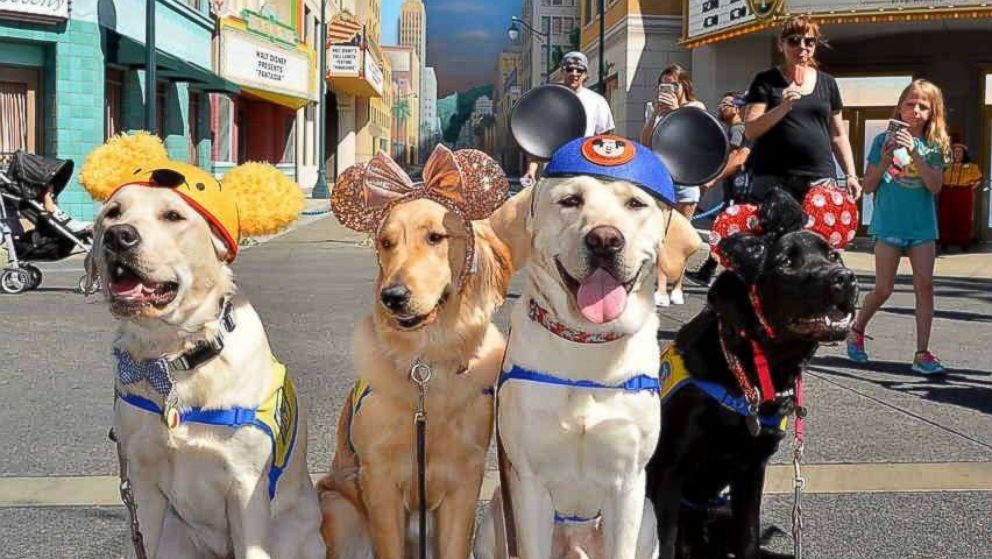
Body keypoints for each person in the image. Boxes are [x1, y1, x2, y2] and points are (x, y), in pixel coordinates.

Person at [846, 79, 950, 375]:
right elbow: (868, 186)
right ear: (900, 107)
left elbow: (934, 187)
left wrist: (914, 151)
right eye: (910, 103)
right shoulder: (882, 140)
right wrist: (883, 159)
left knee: (925, 286)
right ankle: (857, 330)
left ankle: (922, 352)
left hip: (922, 227)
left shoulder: (935, 146)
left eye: (923, 106)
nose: (915, 110)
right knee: (883, 288)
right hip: (889, 222)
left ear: (932, 112)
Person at [742, 15, 861, 204]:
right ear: (781, 45)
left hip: (819, 177)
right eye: (794, 41)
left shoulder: (827, 83)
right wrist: (783, 107)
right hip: (774, 177)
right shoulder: (765, 81)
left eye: (809, 41)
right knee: (776, 233)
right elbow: (750, 130)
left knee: (818, 233)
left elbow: (838, 135)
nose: (802, 47)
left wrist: (851, 175)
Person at [639, 64, 706, 306]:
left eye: (674, 85)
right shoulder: (653, 108)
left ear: (684, 85)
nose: (669, 89)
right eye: (664, 85)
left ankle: (677, 284)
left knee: (682, 234)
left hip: (686, 177)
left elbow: (694, 139)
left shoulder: (695, 108)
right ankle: (661, 287)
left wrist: (677, 113)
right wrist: (656, 114)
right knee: (661, 234)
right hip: (661, 176)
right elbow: (645, 142)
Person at [685, 91, 752, 286]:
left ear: (737, 108)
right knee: (727, 230)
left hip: (738, 191)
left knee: (725, 229)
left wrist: (712, 179)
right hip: (734, 190)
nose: (721, 109)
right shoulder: (736, 129)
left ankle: (715, 272)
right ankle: (710, 270)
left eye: (726, 105)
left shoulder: (737, 129)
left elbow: (735, 158)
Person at [522, 51, 615, 183]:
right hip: (554, 172)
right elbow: (536, 140)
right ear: (562, 71)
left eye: (580, 70)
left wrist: (602, 171)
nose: (574, 74)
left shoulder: (597, 101)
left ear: (586, 74)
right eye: (570, 69)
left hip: (584, 171)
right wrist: (531, 170)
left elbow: (605, 138)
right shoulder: (549, 99)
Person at [938, 142, 983, 250]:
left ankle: (964, 242)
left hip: (963, 192)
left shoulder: (972, 166)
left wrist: (968, 188)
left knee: (963, 217)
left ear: (964, 154)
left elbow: (978, 180)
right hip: (947, 191)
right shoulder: (946, 165)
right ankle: (945, 241)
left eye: (959, 152)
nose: (957, 154)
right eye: (955, 152)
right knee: (945, 216)